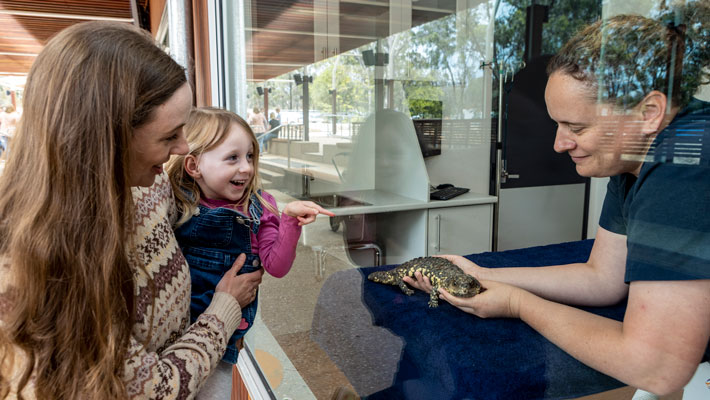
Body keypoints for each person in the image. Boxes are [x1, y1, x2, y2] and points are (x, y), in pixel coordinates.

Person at [406, 6, 710, 397]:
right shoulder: (632, 157)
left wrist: (518, 304)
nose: (560, 144)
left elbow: (655, 367)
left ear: (649, 112)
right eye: (558, 124)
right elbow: (604, 278)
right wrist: (479, 274)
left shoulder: (687, 163)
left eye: (577, 127)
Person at [0, 21, 263, 399]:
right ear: (107, 139)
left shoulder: (146, 178)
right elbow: (152, 390)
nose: (184, 147)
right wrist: (225, 307)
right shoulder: (33, 270)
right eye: (169, 135)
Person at [166, 107, 334, 392]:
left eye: (250, 156)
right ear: (194, 166)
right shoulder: (175, 203)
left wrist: (289, 221)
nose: (246, 167)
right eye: (232, 158)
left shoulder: (260, 206)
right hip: (172, 335)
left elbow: (277, 266)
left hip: (221, 339)